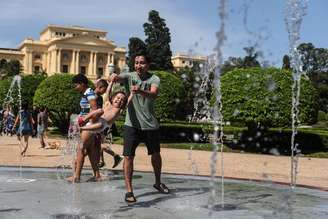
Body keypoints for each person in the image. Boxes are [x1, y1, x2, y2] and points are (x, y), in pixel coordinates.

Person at [110, 54, 170, 203]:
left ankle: (157, 182)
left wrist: (140, 91)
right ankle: (129, 191)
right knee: (128, 157)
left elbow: (154, 94)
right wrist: (113, 75)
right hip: (131, 125)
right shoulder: (129, 76)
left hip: (150, 125)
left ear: (148, 65)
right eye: (136, 63)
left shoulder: (154, 79)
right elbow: (117, 77)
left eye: (142, 63)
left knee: (156, 154)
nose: (138, 65)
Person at [67, 74, 100, 183]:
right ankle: (97, 175)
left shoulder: (89, 94)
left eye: (75, 85)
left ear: (82, 84)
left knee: (80, 149)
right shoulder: (86, 93)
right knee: (90, 151)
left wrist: (85, 121)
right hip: (87, 125)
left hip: (89, 125)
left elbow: (95, 110)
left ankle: (76, 176)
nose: (74, 87)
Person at [88, 79, 123, 169]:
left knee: (98, 144)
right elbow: (107, 92)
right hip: (100, 125)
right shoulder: (108, 103)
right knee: (97, 144)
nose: (118, 100)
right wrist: (111, 82)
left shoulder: (119, 109)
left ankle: (116, 156)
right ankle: (101, 161)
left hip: (104, 127)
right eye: (117, 98)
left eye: (121, 99)